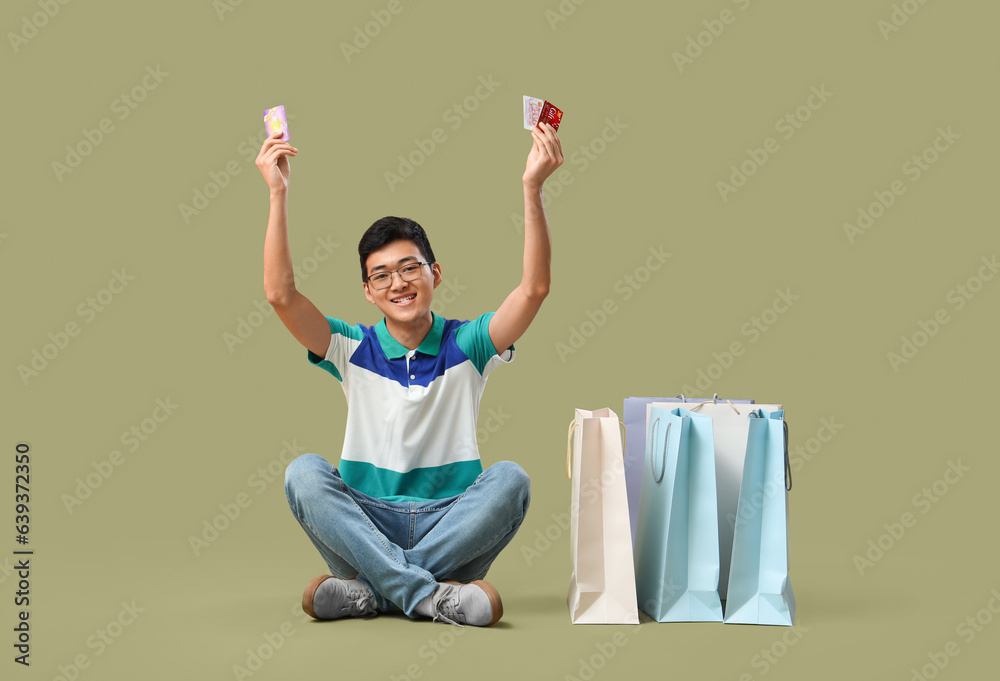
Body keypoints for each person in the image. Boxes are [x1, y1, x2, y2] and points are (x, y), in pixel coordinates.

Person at [256, 119, 563, 627]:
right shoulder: (349, 346)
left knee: (513, 480)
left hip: (451, 523)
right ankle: (430, 596)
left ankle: (374, 594)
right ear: (368, 291)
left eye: (409, 267)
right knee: (302, 474)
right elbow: (280, 296)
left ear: (434, 274)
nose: (397, 282)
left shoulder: (471, 342)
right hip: (364, 522)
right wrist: (277, 194)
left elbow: (533, 290)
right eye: (381, 275)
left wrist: (532, 188)